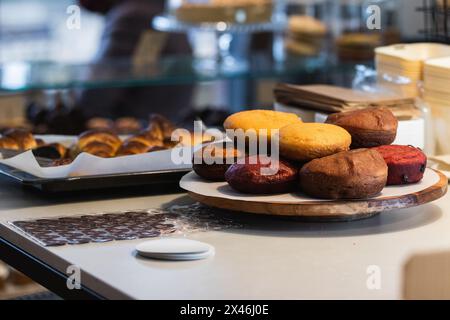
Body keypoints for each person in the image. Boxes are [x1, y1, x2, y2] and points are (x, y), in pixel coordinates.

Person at [76, 0, 193, 122]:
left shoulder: (132, 17)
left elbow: (97, 95)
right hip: (165, 123)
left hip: (134, 128)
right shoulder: (155, 8)